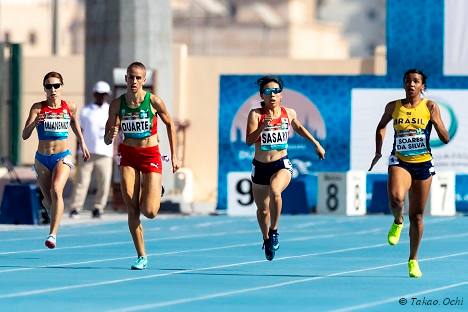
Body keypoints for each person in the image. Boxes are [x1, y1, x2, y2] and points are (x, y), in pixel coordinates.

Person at [369, 69, 450, 278]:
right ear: (404, 84)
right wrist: (378, 151)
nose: (411, 84)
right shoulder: (393, 106)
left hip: (423, 164)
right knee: (396, 199)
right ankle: (397, 221)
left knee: (417, 215)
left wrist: (436, 120)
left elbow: (445, 138)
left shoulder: (430, 106)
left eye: (416, 81)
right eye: (408, 81)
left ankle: (413, 260)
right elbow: (380, 127)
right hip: (400, 160)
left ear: (422, 86)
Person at [104, 62, 179, 270]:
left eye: (138, 78)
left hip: (150, 154)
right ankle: (141, 255)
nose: (134, 81)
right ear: (126, 79)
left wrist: (174, 156)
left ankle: (156, 191)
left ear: (144, 80)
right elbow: (107, 138)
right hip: (128, 154)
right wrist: (110, 135)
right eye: (131, 77)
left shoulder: (154, 102)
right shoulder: (117, 105)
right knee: (132, 207)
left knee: (150, 211)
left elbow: (170, 125)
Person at [245, 75, 325, 261]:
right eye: (267, 91)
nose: (272, 95)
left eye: (276, 91)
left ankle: (274, 231)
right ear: (261, 95)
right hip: (260, 167)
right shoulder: (256, 114)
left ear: (281, 95)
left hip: (281, 164)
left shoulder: (288, 113)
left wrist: (316, 144)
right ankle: (266, 238)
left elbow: (299, 128)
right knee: (262, 210)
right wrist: (261, 128)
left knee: (275, 190)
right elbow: (249, 140)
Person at [22, 71, 90, 249]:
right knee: (49, 200)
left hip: (62, 156)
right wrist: (35, 122)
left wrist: (82, 143)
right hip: (42, 159)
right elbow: (24, 135)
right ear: (44, 88)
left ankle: (52, 235)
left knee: (56, 190)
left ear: (62, 86)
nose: (53, 89)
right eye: (48, 86)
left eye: (56, 86)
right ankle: (50, 208)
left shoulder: (70, 106)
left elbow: (75, 123)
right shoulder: (38, 108)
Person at [69, 81, 114, 219]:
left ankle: (98, 207)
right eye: (100, 94)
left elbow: (116, 132)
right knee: (82, 182)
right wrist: (78, 150)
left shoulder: (111, 110)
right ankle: (75, 207)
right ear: (94, 94)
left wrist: (115, 150)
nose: (102, 97)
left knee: (104, 182)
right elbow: (79, 130)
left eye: (105, 94)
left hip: (105, 152)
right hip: (86, 153)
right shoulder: (86, 110)